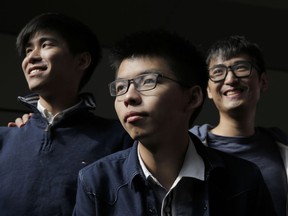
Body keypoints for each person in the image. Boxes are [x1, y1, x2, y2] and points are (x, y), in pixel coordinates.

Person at [72, 29, 276, 216]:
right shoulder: (96, 181)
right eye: (121, 87)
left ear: (192, 98)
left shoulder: (244, 179)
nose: (129, 97)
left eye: (147, 81)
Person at [0, 12, 133, 216]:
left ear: (81, 61)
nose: (32, 57)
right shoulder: (6, 137)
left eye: (46, 45)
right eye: (28, 50)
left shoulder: (119, 139)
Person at [190, 35, 288, 216]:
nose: (230, 79)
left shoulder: (282, 147)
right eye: (218, 72)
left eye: (241, 68)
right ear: (208, 90)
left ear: (263, 81)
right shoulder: (186, 145)